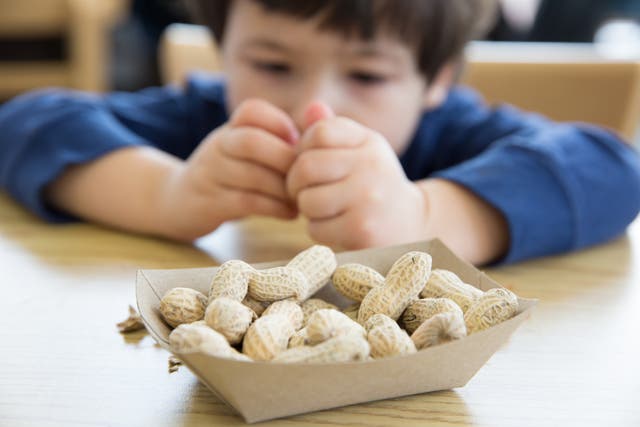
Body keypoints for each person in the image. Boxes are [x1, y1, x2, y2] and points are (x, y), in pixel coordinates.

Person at [0, 0, 639, 266]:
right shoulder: (207, 121)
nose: (314, 107)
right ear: (222, 50)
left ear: (435, 78)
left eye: (366, 73)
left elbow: (612, 167)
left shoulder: (453, 131)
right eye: (272, 65)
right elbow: (27, 122)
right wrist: (166, 193)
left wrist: (422, 214)